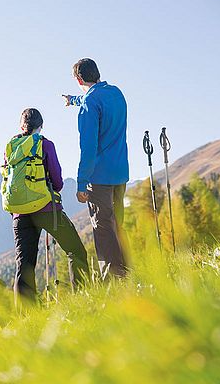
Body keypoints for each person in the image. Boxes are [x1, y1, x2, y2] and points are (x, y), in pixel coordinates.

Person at [3, 108, 90, 307]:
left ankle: (26, 317)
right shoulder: (45, 145)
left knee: (24, 266)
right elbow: (58, 181)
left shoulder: (10, 147)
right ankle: (83, 299)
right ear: (40, 126)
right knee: (75, 251)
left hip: (20, 213)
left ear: (21, 126)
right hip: (47, 210)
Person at [61, 58, 129, 277]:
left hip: (99, 178)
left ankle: (113, 282)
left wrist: (82, 183)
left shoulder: (91, 104)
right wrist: (74, 100)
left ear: (79, 79)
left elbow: (88, 148)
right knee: (117, 225)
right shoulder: (116, 93)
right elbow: (94, 99)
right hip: (121, 173)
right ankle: (128, 273)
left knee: (103, 229)